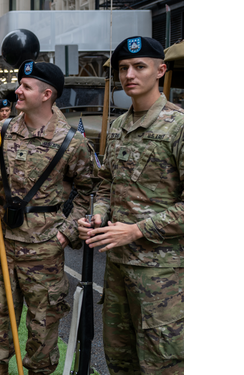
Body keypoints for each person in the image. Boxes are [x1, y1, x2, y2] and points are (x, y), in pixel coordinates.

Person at [0, 61, 96, 375]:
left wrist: (69, 231)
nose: (17, 90)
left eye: (26, 86)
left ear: (47, 94)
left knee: (43, 319)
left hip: (43, 247)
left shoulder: (71, 141)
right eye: (20, 84)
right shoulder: (3, 131)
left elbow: (91, 189)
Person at [77, 36, 183, 374]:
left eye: (139, 66)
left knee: (161, 363)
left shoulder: (180, 127)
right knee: (119, 360)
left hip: (162, 275)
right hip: (120, 269)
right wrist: (98, 215)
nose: (129, 75)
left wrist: (136, 230)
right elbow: (107, 182)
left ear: (160, 70)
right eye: (123, 68)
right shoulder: (120, 127)